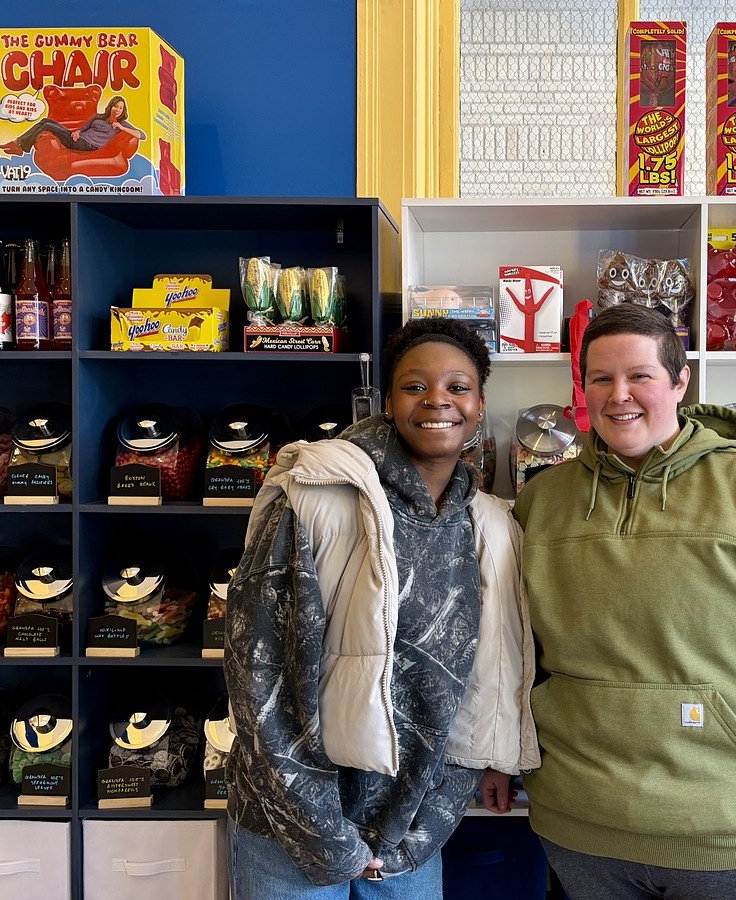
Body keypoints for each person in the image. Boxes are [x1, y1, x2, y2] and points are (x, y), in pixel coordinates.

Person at [513, 304, 736, 899]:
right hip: (579, 824)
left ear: (680, 382)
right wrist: (498, 755)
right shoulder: (543, 500)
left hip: (735, 832)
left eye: (640, 376)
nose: (619, 395)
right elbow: (517, 652)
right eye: (601, 378)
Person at [224, 318, 539, 899]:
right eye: (415, 386)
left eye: (458, 387)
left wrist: (428, 825)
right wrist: (325, 835)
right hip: (291, 829)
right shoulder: (316, 495)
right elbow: (257, 671)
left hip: (409, 830)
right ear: (388, 403)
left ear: (479, 405)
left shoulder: (489, 524)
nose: (437, 400)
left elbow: (485, 686)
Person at [0, 95, 145, 156]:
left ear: (123, 110)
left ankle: (21, 146)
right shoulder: (98, 116)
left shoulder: (122, 124)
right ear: (110, 106)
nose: (117, 109)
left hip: (88, 145)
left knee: (46, 126)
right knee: (45, 121)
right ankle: (19, 144)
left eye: (120, 108)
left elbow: (142, 135)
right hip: (77, 138)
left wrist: (122, 128)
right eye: (115, 106)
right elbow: (84, 127)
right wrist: (77, 131)